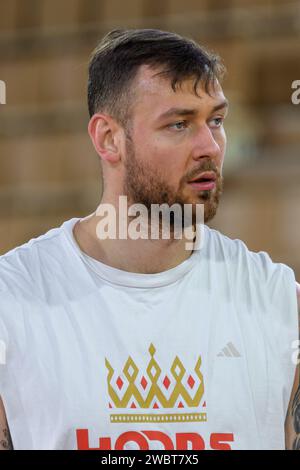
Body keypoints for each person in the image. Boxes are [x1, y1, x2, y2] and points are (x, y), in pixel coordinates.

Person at [0, 29, 299, 451]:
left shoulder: (280, 303)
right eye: (178, 124)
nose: (209, 146)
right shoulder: (12, 301)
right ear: (108, 139)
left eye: (215, 120)